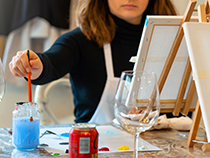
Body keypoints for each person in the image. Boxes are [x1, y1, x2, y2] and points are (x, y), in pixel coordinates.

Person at [9, 0, 176, 123]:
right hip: (93, 152)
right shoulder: (80, 40)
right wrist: (37, 65)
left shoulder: (175, 40)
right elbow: (52, 62)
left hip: (161, 153)